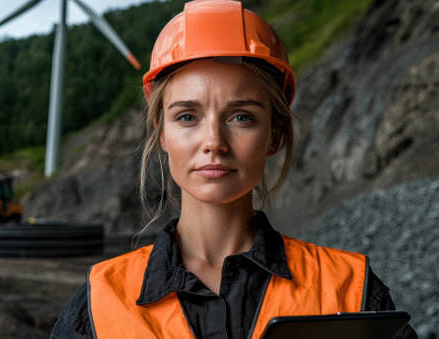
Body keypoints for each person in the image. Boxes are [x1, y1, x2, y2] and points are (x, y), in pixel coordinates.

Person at [51, 1, 417, 338]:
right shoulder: (100, 302)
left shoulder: (350, 289)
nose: (214, 141)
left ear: (274, 136)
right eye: (187, 117)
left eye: (242, 117)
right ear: (162, 135)